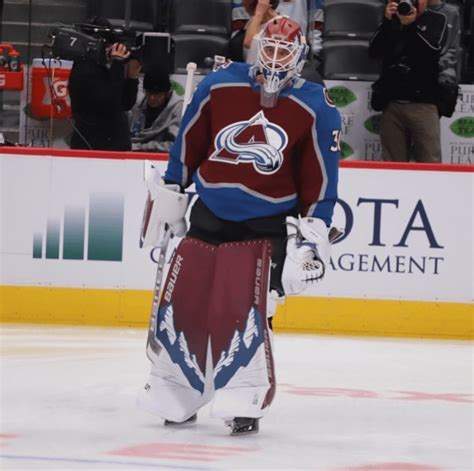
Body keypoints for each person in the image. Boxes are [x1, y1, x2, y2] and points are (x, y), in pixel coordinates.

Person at [138, 16, 341, 435]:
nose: (275, 58)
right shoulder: (221, 83)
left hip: (266, 223)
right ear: (256, 47)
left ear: (301, 57)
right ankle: (177, 389)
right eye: (270, 47)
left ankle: (243, 398)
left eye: (285, 51)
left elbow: (321, 176)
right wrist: (172, 189)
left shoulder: (316, 105)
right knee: (187, 300)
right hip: (209, 211)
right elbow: (189, 141)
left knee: (248, 310)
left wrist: (312, 234)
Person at [368, 0, 448, 163]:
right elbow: (374, 52)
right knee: (392, 163)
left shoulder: (437, 19)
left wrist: (411, 26)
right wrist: (387, 22)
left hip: (423, 104)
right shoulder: (392, 21)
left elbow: (430, 53)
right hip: (392, 103)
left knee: (430, 162)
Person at [68, 18, 141, 151]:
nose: (109, 49)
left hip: (116, 146)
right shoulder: (83, 70)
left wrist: (132, 77)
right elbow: (109, 101)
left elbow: (126, 104)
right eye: (106, 45)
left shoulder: (105, 69)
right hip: (93, 146)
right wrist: (117, 64)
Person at [129, 68, 183, 152]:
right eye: (149, 92)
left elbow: (175, 145)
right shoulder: (138, 105)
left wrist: (140, 147)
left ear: (167, 94)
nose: (152, 98)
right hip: (131, 151)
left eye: (157, 94)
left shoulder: (178, 108)